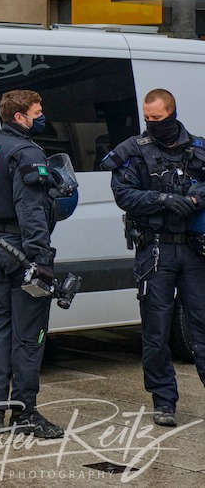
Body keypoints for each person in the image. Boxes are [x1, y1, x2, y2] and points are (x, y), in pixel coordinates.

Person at [102, 88, 205, 427]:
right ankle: (164, 401)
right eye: (147, 119)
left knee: (201, 328)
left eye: (157, 119)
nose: (151, 124)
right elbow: (123, 194)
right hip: (156, 250)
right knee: (156, 332)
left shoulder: (199, 148)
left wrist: (194, 198)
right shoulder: (133, 150)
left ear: (172, 113)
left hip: (193, 250)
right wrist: (163, 199)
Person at [0, 89, 63, 439]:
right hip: (24, 252)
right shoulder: (28, 153)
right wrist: (42, 260)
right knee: (29, 337)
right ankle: (26, 414)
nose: (42, 116)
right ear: (20, 116)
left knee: (0, 334)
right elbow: (31, 212)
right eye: (37, 112)